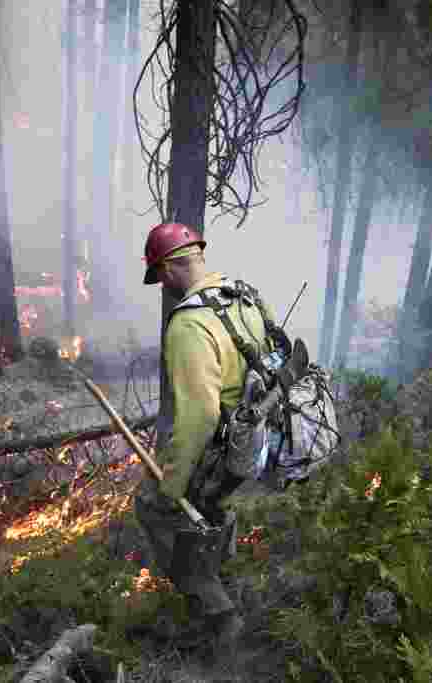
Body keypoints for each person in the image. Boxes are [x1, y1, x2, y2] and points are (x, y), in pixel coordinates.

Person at [134, 222, 275, 658]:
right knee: (213, 509)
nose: (161, 286)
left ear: (169, 268)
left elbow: (200, 416)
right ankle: (223, 569)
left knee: (156, 509)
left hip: (219, 448)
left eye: (158, 277)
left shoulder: (189, 325)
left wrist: (172, 483)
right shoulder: (244, 295)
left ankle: (220, 619)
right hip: (253, 443)